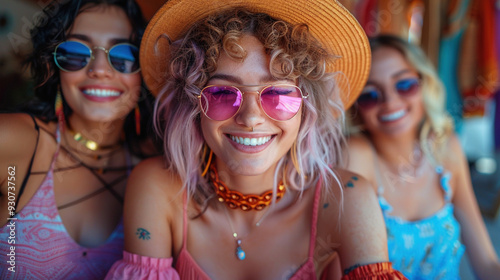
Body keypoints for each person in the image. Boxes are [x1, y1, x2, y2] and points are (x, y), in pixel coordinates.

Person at [106, 1, 407, 279]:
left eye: (277, 93)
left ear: (307, 107)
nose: (250, 118)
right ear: (194, 106)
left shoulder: (344, 198)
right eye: (222, 93)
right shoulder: (159, 187)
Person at [0, 0, 155, 279]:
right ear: (54, 69)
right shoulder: (16, 141)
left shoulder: (158, 168)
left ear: (143, 74)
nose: (99, 69)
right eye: (74, 52)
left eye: (123, 55)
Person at [346, 34, 500, 279]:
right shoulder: (357, 155)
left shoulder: (446, 148)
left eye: (404, 85)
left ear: (424, 83)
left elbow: (487, 262)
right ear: (355, 106)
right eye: (370, 95)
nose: (391, 101)